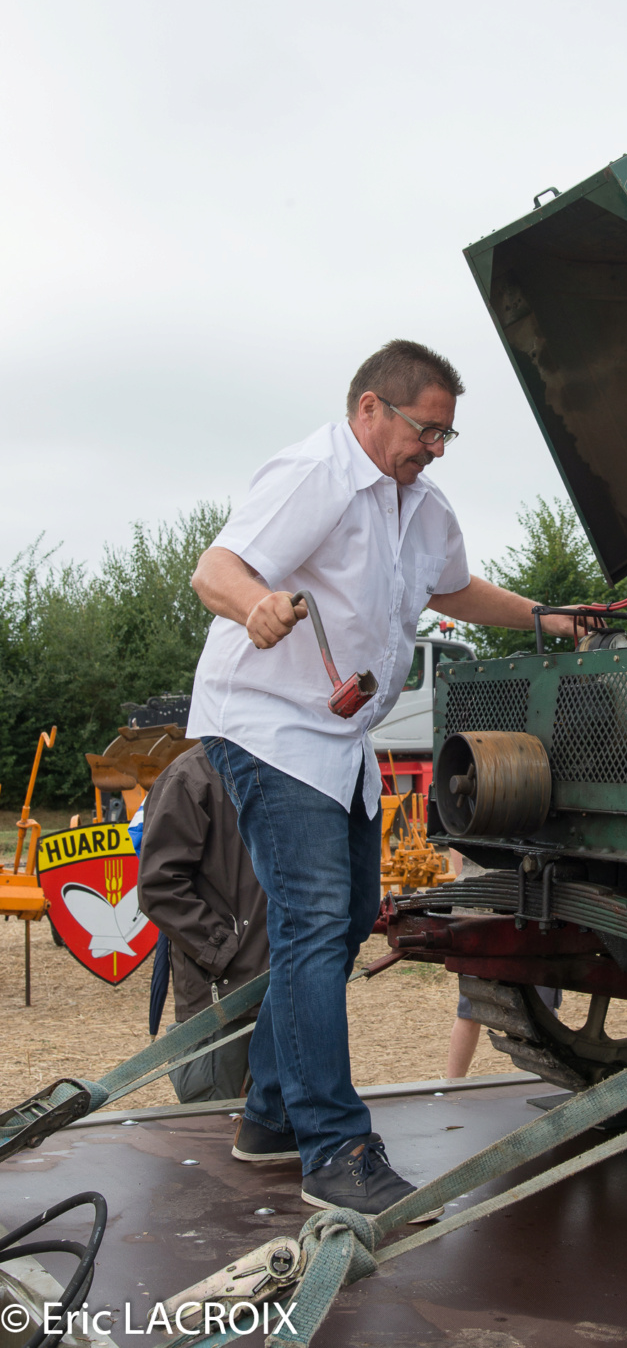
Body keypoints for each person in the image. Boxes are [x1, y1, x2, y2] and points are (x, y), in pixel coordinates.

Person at [188, 339, 573, 1216]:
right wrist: (254, 604)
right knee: (317, 923)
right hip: (267, 726)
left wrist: (547, 617)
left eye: (446, 434)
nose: (434, 446)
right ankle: (335, 1150)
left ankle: (272, 1117)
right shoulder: (314, 473)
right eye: (424, 428)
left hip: (337, 741)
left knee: (352, 916)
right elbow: (218, 568)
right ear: (370, 409)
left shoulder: (424, 507)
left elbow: (455, 590)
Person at [137, 744, 272, 1110]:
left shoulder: (290, 766)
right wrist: (224, 950)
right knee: (213, 1134)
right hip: (223, 1000)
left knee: (282, 1145)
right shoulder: (190, 776)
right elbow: (159, 886)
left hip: (288, 994)